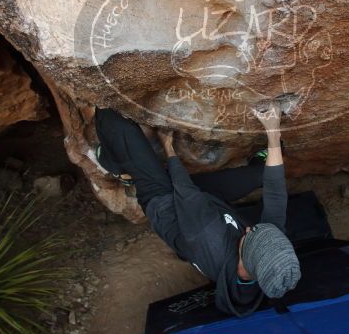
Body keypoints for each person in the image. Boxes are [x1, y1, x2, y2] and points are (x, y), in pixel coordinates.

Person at [93, 102, 301, 317]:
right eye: (258, 228)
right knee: (263, 175)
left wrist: (168, 145)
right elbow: (276, 192)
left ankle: (120, 168)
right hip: (207, 207)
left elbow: (185, 190)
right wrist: (273, 132)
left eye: (249, 235)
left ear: (243, 261)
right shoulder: (266, 258)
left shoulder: (209, 237)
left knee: (116, 123)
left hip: (168, 203)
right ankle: (256, 164)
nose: (249, 229)